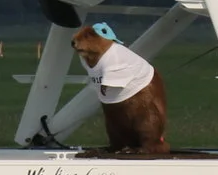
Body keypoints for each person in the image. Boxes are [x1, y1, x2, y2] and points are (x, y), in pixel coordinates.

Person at [70, 23, 169, 156]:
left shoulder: (115, 55)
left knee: (145, 118)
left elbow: (115, 76)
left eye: (88, 36)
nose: (76, 43)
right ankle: (118, 145)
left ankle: (151, 145)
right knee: (113, 121)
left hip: (140, 91)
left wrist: (106, 84)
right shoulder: (88, 58)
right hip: (115, 98)